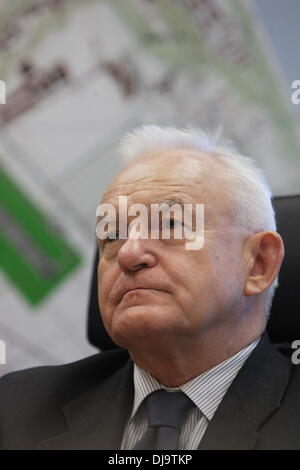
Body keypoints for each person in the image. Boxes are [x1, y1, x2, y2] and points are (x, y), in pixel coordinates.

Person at [0, 125, 299, 450]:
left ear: (258, 263)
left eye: (170, 224)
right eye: (111, 236)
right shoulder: (15, 411)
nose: (128, 253)